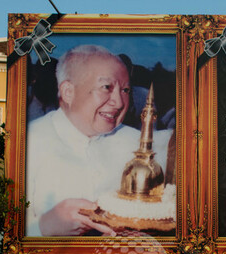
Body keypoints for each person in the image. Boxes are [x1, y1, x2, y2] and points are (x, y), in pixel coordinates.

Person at [26, 44, 172, 236]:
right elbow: (2, 230)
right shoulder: (29, 142)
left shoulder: (139, 145)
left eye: (125, 90)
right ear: (68, 92)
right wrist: (44, 227)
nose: (119, 103)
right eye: (106, 87)